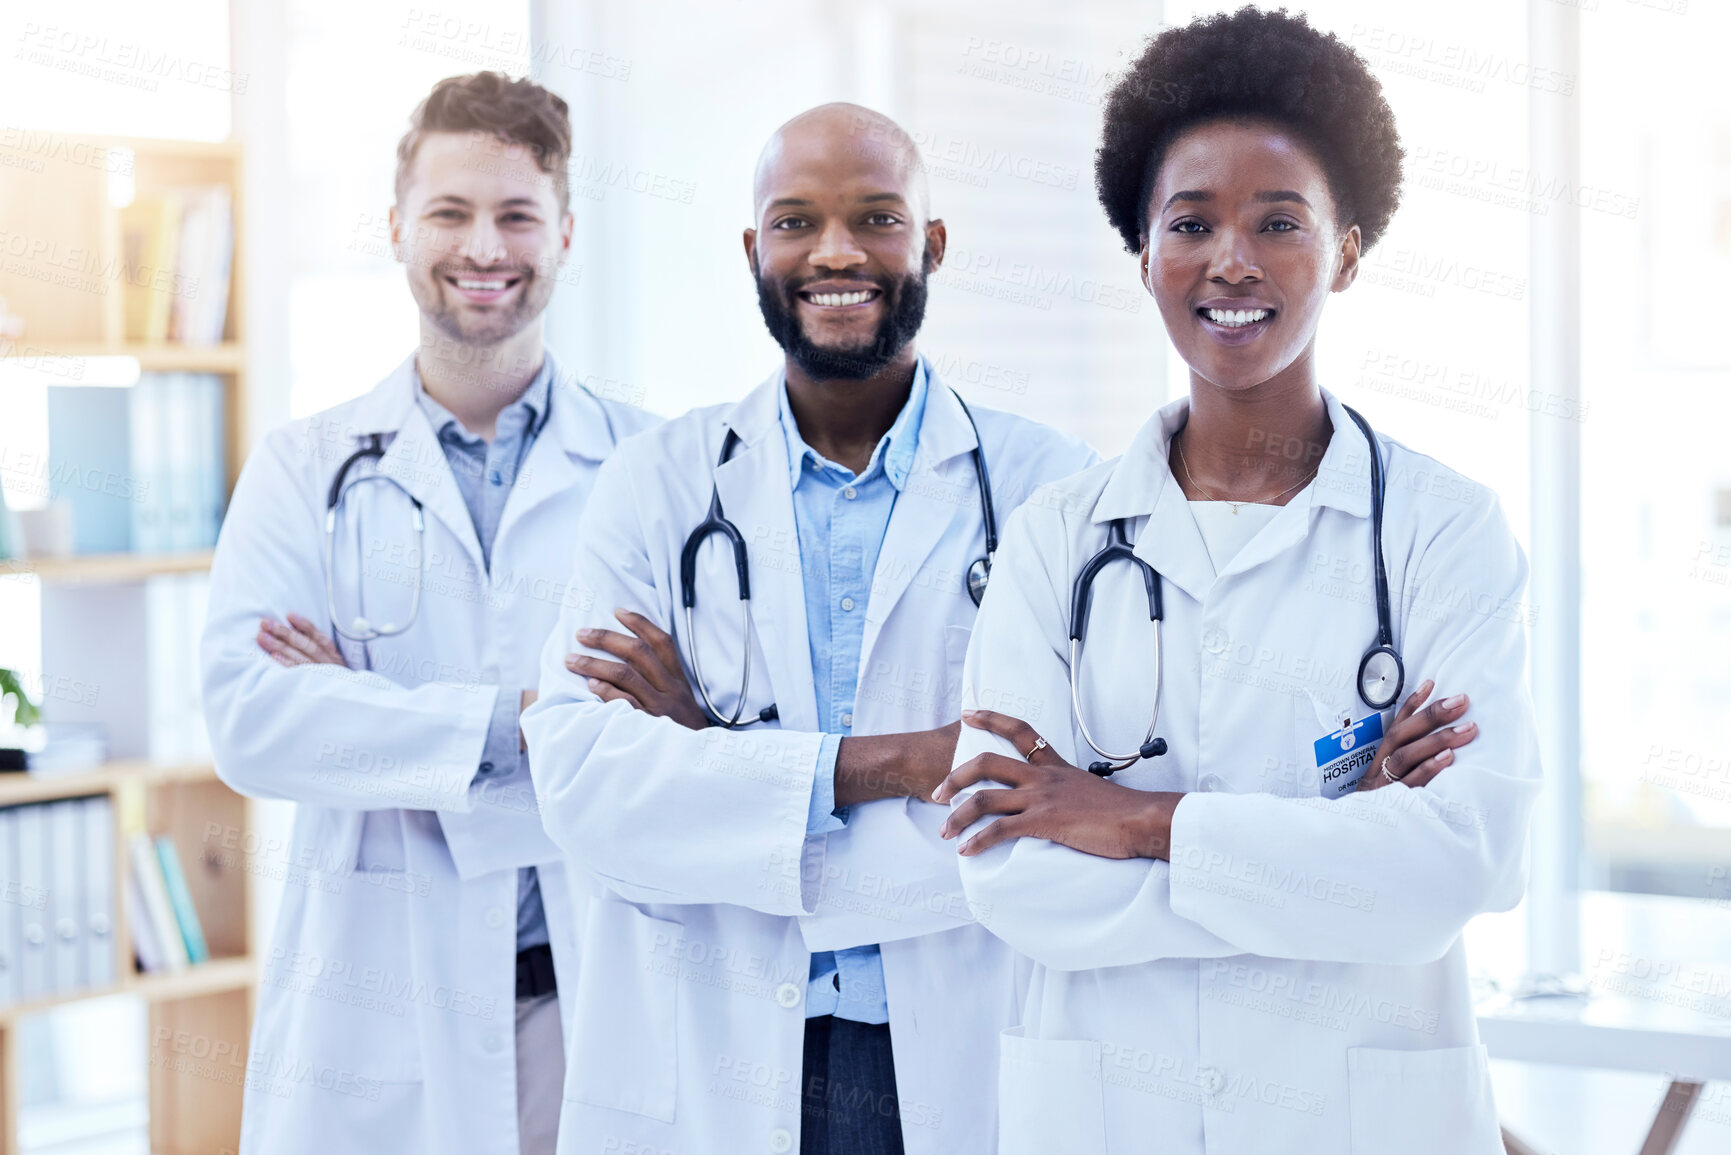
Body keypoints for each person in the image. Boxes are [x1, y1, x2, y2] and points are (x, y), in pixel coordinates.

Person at [933, 10, 1541, 1155]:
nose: (1232, 261)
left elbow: (1462, 865)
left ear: (1348, 251)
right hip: (1113, 1112)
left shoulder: (1442, 529)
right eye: (1191, 222)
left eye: (1279, 221)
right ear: (1145, 251)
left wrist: (1134, 821)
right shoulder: (1055, 540)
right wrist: (1327, 858)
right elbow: (1013, 880)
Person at [520, 104, 1099, 1155]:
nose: (836, 252)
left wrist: (720, 771)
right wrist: (900, 764)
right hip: (714, 1053)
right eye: (796, 222)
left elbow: (1058, 803)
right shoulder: (657, 484)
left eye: (876, 218)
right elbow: (586, 790)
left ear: (931, 242)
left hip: (962, 1047)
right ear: (755, 250)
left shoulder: (1046, 488)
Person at [200, 72, 658, 1155]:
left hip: (590, 999)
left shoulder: (652, 465)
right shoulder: (302, 468)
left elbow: (679, 728)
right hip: (378, 1004)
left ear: (565, 233)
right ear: (398, 227)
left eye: (515, 215)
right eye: (450, 212)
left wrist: (362, 712)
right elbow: (251, 720)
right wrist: (531, 725)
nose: (483, 247)